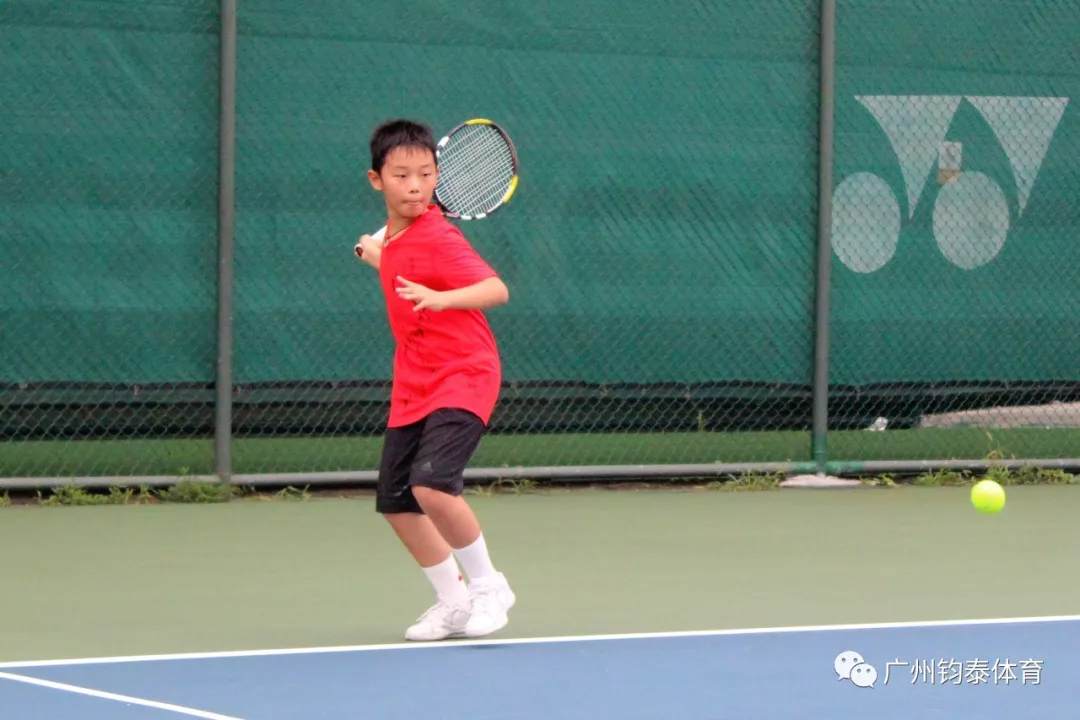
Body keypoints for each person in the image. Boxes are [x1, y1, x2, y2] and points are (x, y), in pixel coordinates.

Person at [354, 118, 516, 641]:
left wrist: (443, 298)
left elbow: (495, 289)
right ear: (377, 180)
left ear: (437, 176)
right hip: (414, 380)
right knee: (396, 502)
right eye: (402, 176)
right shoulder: (397, 237)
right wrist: (375, 254)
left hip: (464, 373)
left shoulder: (441, 235)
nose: (416, 186)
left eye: (426, 174)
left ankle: (489, 587)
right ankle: (453, 602)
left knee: (431, 484)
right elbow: (400, 267)